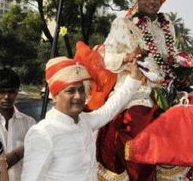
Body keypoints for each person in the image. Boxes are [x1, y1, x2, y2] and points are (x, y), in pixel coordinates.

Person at [97, 0, 193, 180]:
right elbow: (106, 58)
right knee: (139, 132)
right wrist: (128, 57)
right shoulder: (123, 23)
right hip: (135, 90)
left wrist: (181, 65)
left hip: (167, 89)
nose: (151, 1)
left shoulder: (166, 24)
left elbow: (169, 55)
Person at [20, 46, 144, 181]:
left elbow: (110, 109)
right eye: (70, 91)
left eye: (81, 90)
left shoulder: (85, 122)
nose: (78, 96)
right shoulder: (43, 133)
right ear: (55, 96)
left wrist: (133, 79)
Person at [0, 68, 36, 181]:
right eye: (1, 92)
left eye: (11, 92)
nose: (6, 97)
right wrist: (20, 152)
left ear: (17, 92)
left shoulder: (29, 123)